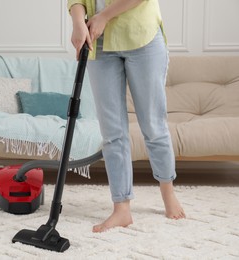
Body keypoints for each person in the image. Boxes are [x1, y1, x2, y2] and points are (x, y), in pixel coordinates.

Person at [68, 0, 186, 233]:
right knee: (112, 131)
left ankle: (168, 192)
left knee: (153, 125)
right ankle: (121, 208)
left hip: (141, 36)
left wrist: (104, 16)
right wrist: (77, 22)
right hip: (97, 42)